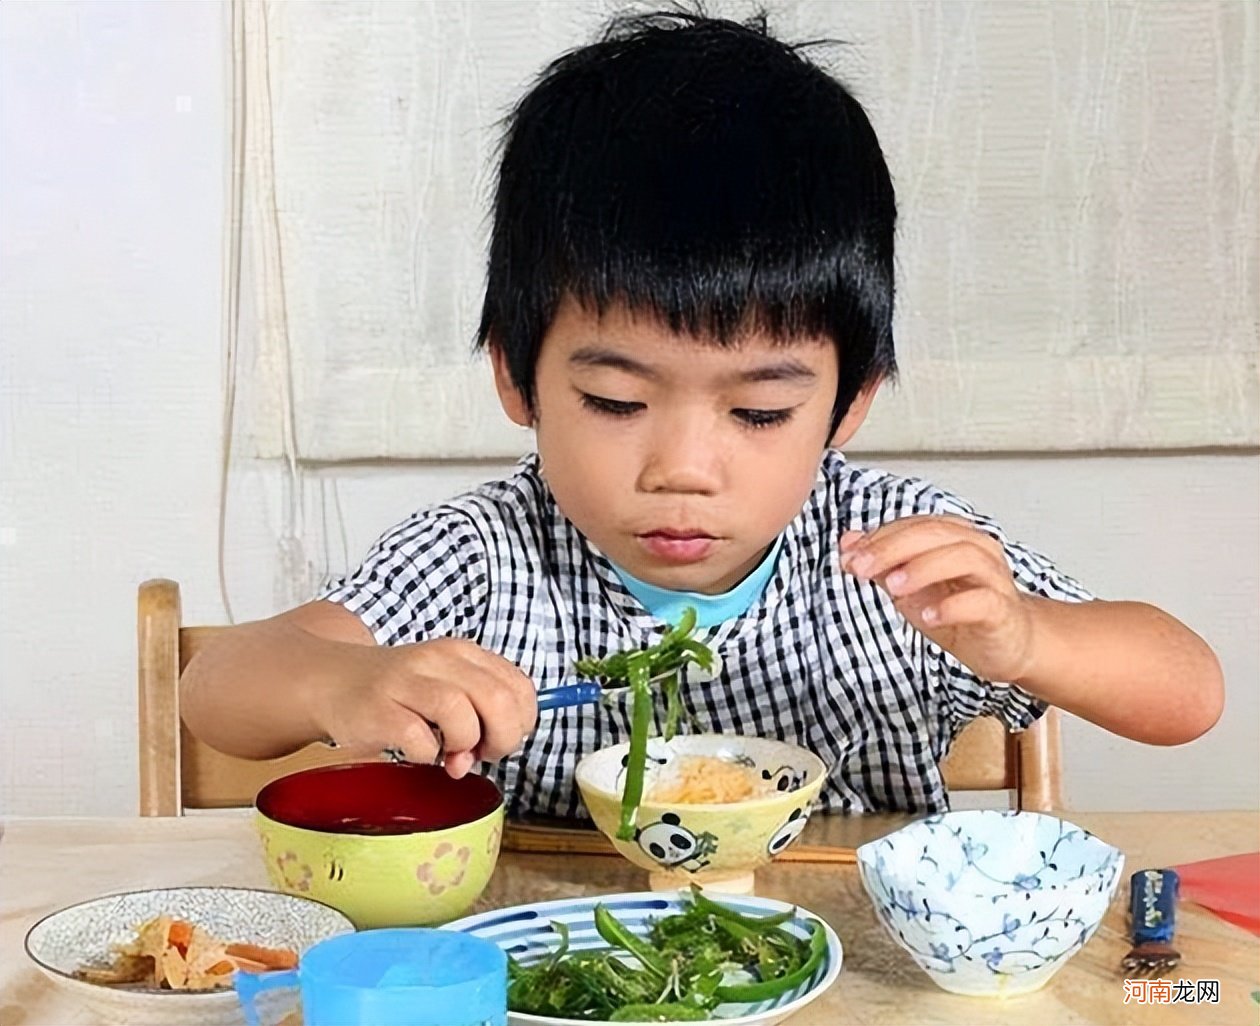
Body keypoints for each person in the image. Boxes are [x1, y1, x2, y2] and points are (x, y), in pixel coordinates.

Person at [181, 10, 1223, 819]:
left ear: (847, 405)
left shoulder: (895, 558)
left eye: (761, 412)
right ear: (517, 379)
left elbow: (1189, 692)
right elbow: (216, 690)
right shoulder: (485, 557)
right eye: (615, 400)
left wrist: (1026, 637)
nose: (683, 465)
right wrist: (344, 682)